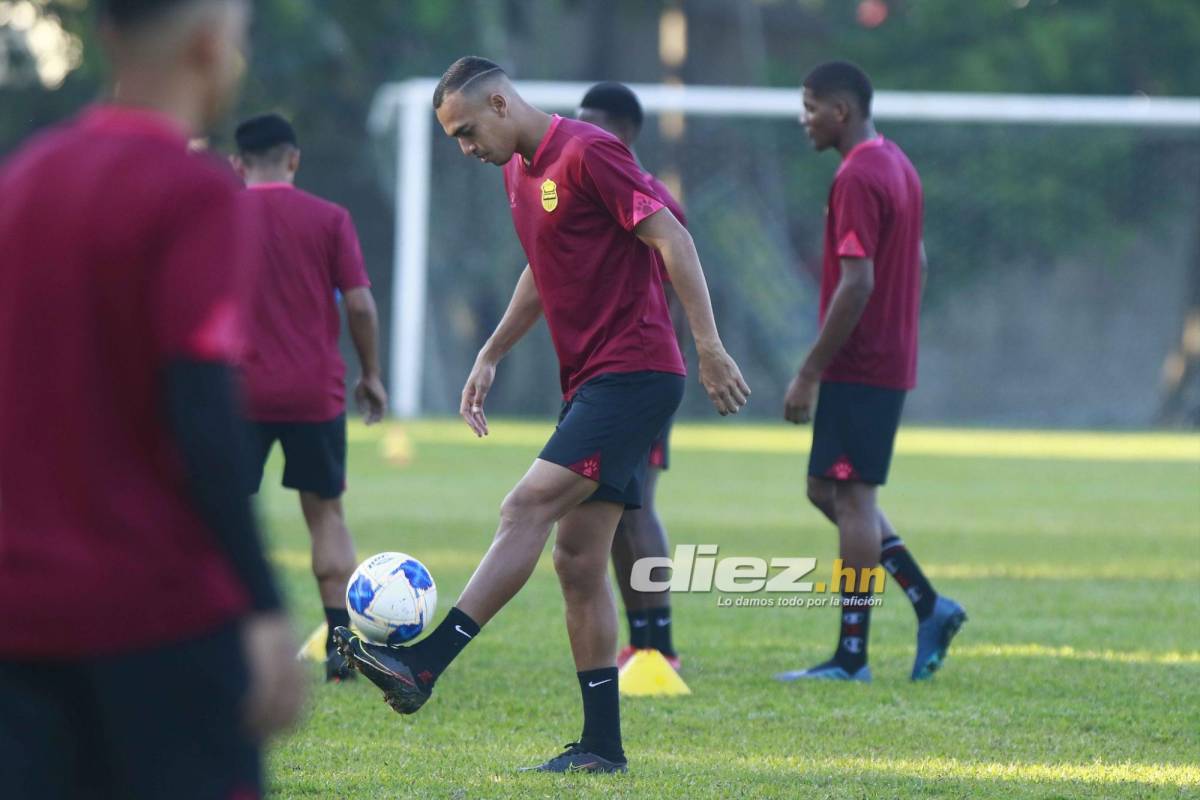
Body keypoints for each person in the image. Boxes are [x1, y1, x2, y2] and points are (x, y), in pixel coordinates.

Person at [335, 56, 749, 773]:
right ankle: (602, 747)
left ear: (500, 103)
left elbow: (672, 238)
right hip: (594, 380)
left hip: (636, 372)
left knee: (524, 506)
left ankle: (425, 665)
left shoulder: (591, 152)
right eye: (454, 139)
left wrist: (710, 347)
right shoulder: (517, 171)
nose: (465, 149)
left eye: (467, 132)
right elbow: (541, 266)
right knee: (578, 560)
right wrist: (491, 352)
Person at [0, 1, 305, 798]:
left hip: (22, 618)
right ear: (211, 50)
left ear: (104, 39)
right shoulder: (191, 192)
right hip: (157, 617)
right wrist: (263, 608)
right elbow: (201, 411)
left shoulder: (25, 177)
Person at [777, 61, 965, 684]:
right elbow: (919, 258)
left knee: (853, 499)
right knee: (824, 489)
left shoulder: (857, 175)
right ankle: (929, 605)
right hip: (881, 356)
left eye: (809, 107)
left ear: (840, 111)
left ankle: (852, 657)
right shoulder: (897, 163)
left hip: (861, 362)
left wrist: (809, 371)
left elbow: (858, 282)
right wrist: (899, 326)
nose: (802, 119)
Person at [232, 112, 387, 682]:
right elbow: (362, 305)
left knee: (221, 514)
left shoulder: (217, 215)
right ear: (293, 159)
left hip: (234, 393)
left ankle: (226, 642)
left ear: (236, 164)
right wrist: (370, 374)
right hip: (312, 391)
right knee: (325, 514)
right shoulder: (329, 218)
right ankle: (341, 654)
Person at [576, 81, 685, 672]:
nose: (585, 132)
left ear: (627, 131)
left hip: (639, 376)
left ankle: (659, 644)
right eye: (579, 120)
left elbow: (677, 293)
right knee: (609, 507)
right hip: (599, 376)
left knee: (636, 507)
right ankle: (639, 641)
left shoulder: (650, 196)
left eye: (597, 123)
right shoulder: (591, 188)